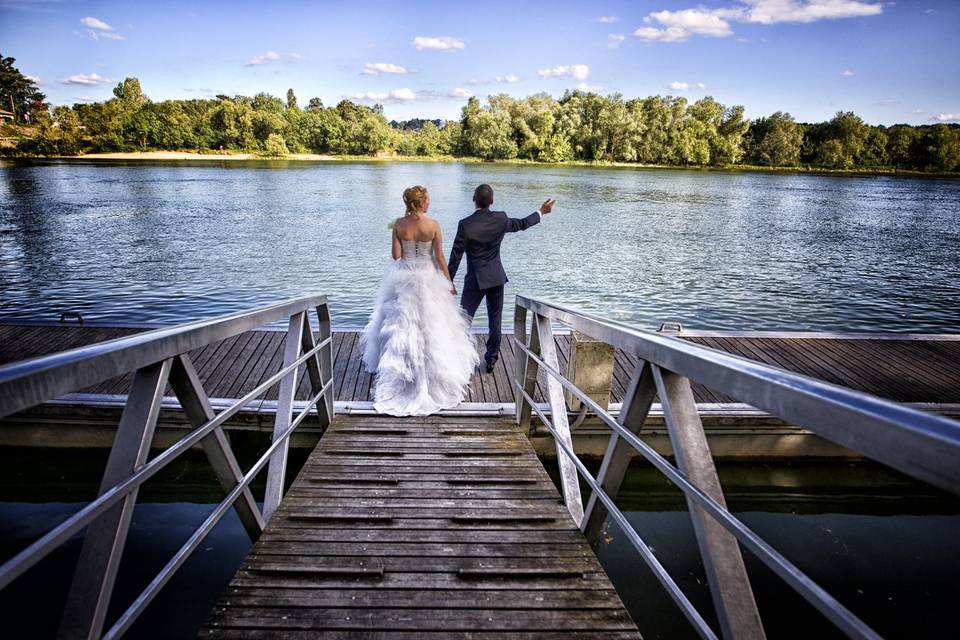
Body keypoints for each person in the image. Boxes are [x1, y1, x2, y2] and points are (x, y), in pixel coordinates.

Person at [361, 185, 479, 416]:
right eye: (428, 199)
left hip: (403, 277)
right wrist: (449, 283)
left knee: (402, 327)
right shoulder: (433, 225)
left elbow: (396, 256)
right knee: (433, 326)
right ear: (421, 202)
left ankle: (402, 375)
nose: (429, 202)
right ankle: (433, 377)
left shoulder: (398, 224)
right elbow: (440, 258)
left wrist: (402, 235)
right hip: (427, 277)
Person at [448, 184, 556, 373]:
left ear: (474, 200)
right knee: (495, 321)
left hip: (475, 280)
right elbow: (522, 224)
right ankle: (491, 361)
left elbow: (455, 257)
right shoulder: (500, 219)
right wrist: (541, 211)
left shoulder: (465, 225)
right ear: (492, 201)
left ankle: (457, 358)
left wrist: (448, 281)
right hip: (496, 278)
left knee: (463, 320)